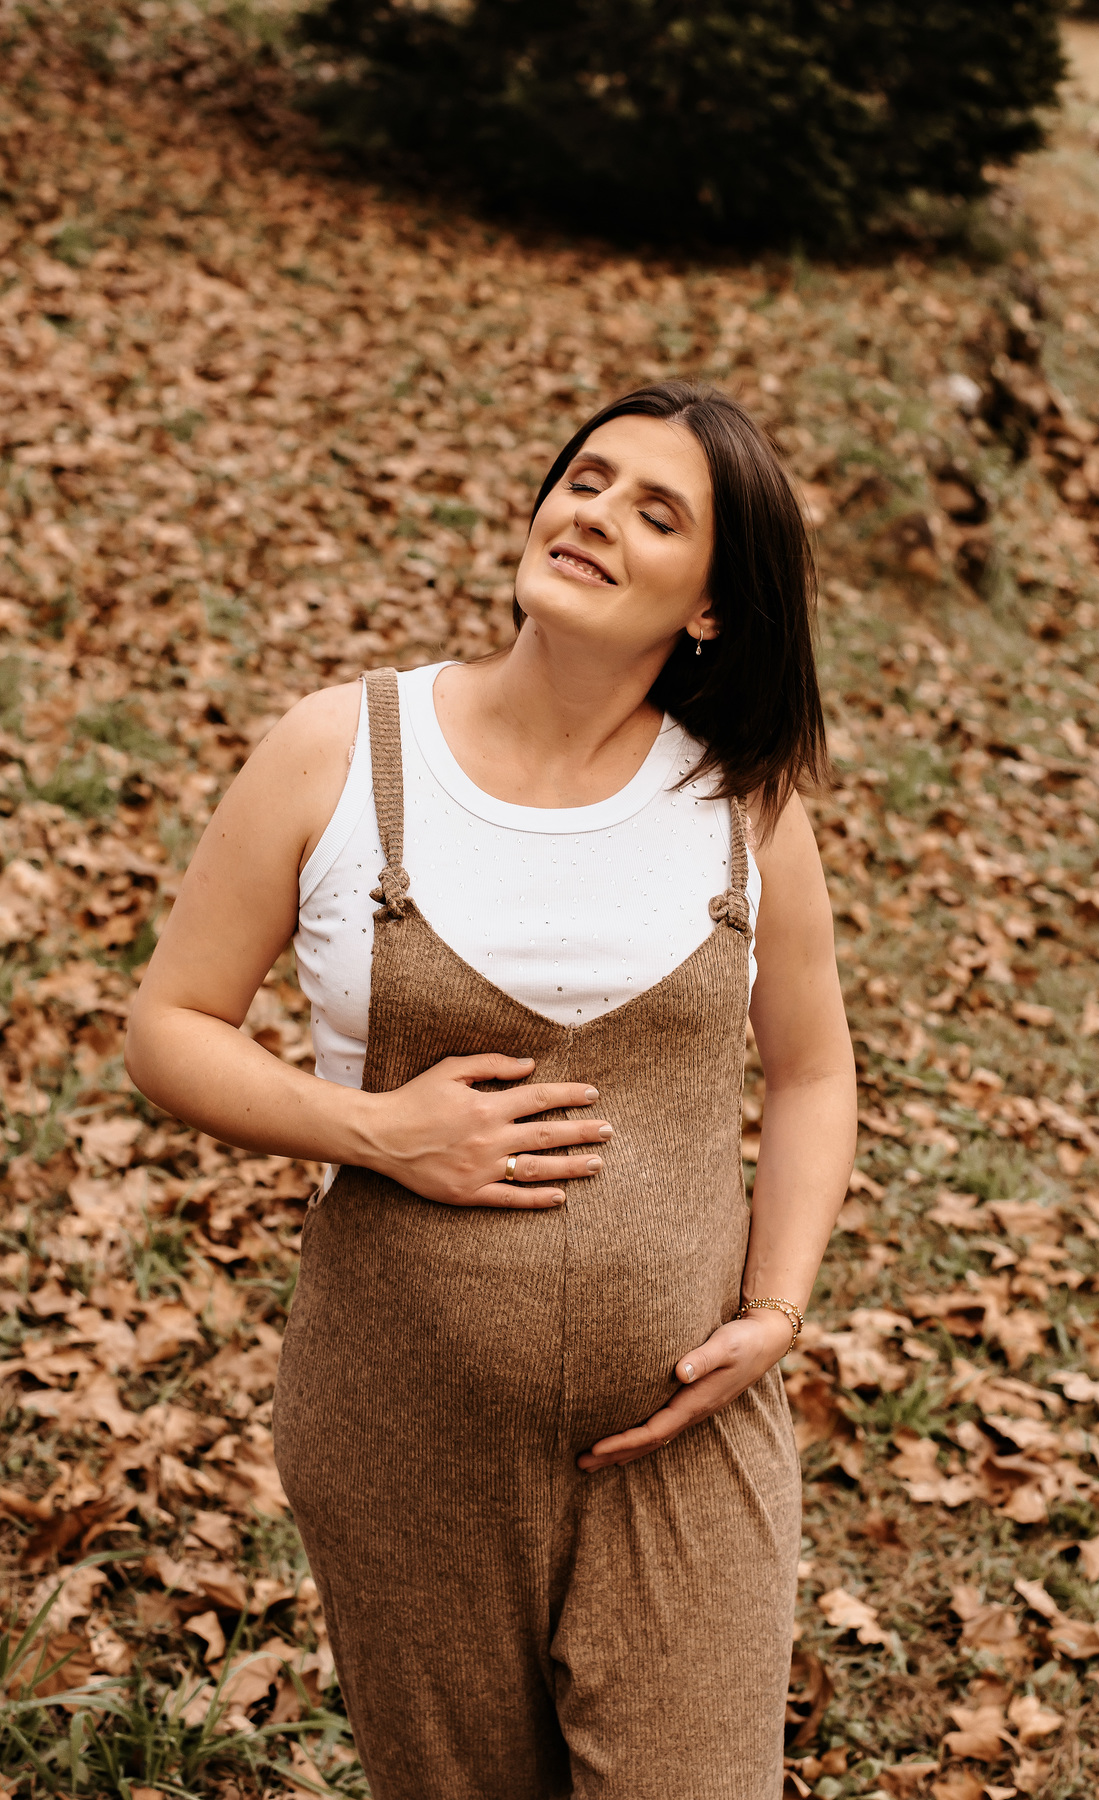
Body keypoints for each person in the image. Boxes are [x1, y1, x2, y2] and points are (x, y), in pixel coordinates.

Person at [125, 380, 857, 1800]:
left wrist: (776, 1309)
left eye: (658, 513)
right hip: (402, 1431)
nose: (597, 514)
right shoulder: (343, 752)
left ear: (713, 607)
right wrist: (377, 1130)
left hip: (680, 1444)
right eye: (586, 479)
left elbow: (815, 1069)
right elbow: (169, 1026)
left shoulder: (745, 807)